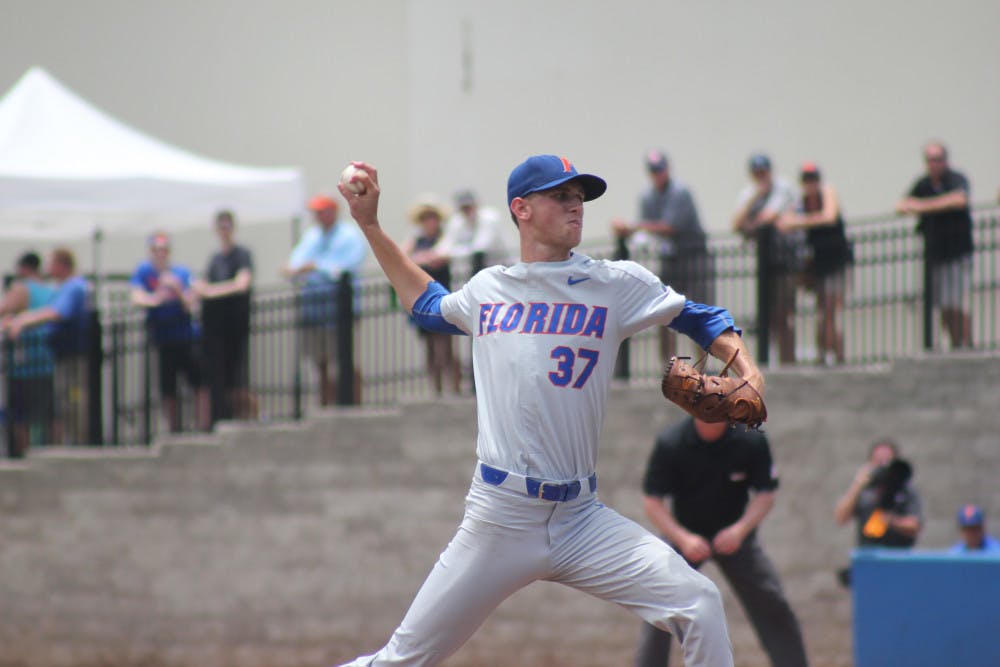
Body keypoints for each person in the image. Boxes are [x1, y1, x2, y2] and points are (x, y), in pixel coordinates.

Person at [335, 155, 766, 667]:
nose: (576, 205)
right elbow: (428, 305)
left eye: (580, 197)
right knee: (402, 659)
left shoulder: (614, 283)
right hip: (500, 517)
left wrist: (750, 372)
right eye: (561, 195)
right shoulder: (488, 288)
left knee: (699, 603)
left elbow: (701, 316)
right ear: (521, 208)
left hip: (582, 519)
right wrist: (370, 225)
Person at [634, 416, 809, 667]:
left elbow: (766, 494)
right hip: (685, 537)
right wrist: (684, 539)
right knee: (657, 605)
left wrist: (739, 531)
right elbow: (652, 502)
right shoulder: (671, 442)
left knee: (772, 601)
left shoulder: (751, 440)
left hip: (735, 538)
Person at [613, 149, 712, 361]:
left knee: (698, 315)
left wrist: (632, 227)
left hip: (693, 258)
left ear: (667, 169)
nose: (657, 174)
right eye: (653, 171)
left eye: (660, 170)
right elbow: (648, 230)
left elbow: (669, 226)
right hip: (671, 259)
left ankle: (702, 369)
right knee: (664, 313)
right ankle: (669, 369)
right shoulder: (647, 196)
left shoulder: (680, 192)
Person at [283, 194, 367, 406]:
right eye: (316, 212)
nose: (319, 216)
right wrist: (295, 269)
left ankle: (352, 402)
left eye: (323, 211)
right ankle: (326, 404)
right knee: (320, 361)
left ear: (334, 211)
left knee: (344, 357)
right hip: (314, 308)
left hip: (339, 308)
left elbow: (347, 266)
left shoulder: (349, 235)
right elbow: (295, 264)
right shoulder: (312, 236)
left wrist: (315, 267)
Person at [3, 248, 91, 445]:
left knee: (71, 401)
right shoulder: (58, 289)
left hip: (66, 358)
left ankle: (76, 443)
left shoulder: (73, 287)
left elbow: (55, 313)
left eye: (52, 263)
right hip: (56, 357)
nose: (48, 268)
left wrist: (22, 322)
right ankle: (70, 443)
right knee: (61, 404)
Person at [896, 141, 974, 349]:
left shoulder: (956, 179)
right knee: (943, 307)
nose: (934, 164)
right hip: (935, 255)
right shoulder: (923, 184)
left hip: (957, 253)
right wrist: (935, 205)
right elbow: (901, 206)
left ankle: (966, 344)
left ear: (945, 161)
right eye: (930, 160)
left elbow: (959, 199)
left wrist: (923, 206)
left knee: (957, 304)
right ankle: (955, 344)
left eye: (938, 159)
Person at [130, 232, 210, 433]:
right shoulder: (143, 272)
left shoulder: (181, 273)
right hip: (163, 339)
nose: (160, 253)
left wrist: (176, 289)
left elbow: (191, 303)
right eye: (156, 249)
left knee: (199, 382)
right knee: (167, 388)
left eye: (163, 249)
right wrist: (157, 299)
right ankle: (171, 430)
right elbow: (137, 297)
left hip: (186, 337)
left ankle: (203, 426)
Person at [778, 162, 854, 366]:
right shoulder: (801, 201)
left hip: (836, 263)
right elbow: (784, 222)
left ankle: (834, 357)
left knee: (830, 311)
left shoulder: (827, 192)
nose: (810, 184)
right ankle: (826, 355)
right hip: (818, 265)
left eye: (813, 179)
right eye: (806, 180)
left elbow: (829, 216)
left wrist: (798, 221)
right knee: (823, 312)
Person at [732, 154, 799, 364]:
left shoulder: (783, 188)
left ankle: (788, 362)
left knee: (784, 315)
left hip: (785, 262)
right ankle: (769, 361)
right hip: (765, 264)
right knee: (768, 317)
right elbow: (736, 224)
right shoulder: (750, 194)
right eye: (757, 173)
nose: (761, 177)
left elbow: (766, 219)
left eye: (764, 171)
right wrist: (755, 198)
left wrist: (750, 226)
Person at [193, 210, 257, 424]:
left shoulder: (242, 255)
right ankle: (223, 418)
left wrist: (211, 291)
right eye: (221, 226)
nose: (224, 230)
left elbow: (242, 284)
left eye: (227, 225)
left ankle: (254, 416)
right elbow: (201, 287)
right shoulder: (215, 259)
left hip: (236, 326)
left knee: (238, 379)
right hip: (215, 329)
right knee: (220, 379)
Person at [401, 195, 461, 396]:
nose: (429, 222)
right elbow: (404, 258)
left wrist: (423, 259)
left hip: (444, 298)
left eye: (432, 217)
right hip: (423, 300)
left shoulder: (445, 237)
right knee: (429, 347)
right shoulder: (417, 240)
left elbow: (441, 257)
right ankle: (437, 390)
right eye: (425, 218)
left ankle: (454, 388)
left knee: (445, 345)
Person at [0, 252, 56, 456]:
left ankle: (23, 456)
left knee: (21, 418)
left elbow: (3, 309)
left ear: (23, 269)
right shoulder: (51, 290)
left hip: (24, 366)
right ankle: (48, 453)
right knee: (47, 416)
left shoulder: (22, 289)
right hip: (46, 360)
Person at [834, 438, 922, 549]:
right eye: (878, 461)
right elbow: (841, 518)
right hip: (869, 554)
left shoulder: (906, 492)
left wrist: (891, 520)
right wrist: (857, 485)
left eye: (887, 460)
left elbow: (914, 525)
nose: (883, 465)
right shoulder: (864, 491)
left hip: (899, 555)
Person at [438, 188, 511, 273]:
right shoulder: (458, 221)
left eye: (468, 207)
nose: (467, 211)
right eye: (463, 208)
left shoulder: (490, 218)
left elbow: (480, 248)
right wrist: (431, 255)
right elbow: (446, 244)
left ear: (476, 205)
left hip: (504, 268)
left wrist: (448, 254)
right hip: (481, 270)